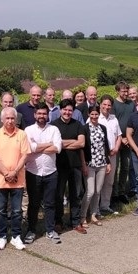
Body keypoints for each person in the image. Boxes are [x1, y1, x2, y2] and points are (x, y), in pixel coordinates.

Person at [0, 107, 30, 250]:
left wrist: (15, 172)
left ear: (16, 119)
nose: (10, 121)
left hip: (18, 179)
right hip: (1, 180)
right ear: (2, 120)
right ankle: (2, 236)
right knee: (1, 210)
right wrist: (7, 173)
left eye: (12, 118)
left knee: (17, 210)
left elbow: (25, 155)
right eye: (7, 118)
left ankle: (16, 236)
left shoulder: (22, 135)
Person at [23, 103, 62, 244]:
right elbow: (29, 148)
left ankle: (50, 230)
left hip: (51, 172)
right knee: (33, 204)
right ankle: (31, 230)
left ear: (48, 115)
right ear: (35, 115)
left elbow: (57, 148)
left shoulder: (54, 129)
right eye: (39, 114)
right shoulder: (28, 130)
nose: (41, 116)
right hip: (33, 172)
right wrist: (48, 144)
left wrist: (37, 147)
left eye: (44, 114)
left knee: (50, 203)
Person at [51, 99, 87, 234]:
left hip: (75, 165)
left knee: (76, 194)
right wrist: (73, 142)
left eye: (70, 110)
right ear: (60, 110)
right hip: (59, 166)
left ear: (73, 111)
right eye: (65, 110)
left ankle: (75, 222)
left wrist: (62, 143)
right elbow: (53, 143)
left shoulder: (78, 125)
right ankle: (58, 222)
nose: (67, 112)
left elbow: (81, 144)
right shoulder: (53, 126)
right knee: (59, 195)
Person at [81, 106, 111, 227]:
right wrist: (84, 164)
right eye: (92, 114)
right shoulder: (84, 128)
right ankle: (82, 216)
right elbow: (82, 148)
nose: (94, 117)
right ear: (88, 114)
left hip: (102, 163)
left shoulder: (102, 128)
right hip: (90, 164)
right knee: (90, 192)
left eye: (96, 114)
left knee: (98, 191)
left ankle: (93, 214)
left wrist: (108, 162)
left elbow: (105, 146)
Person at [97, 95, 122, 216]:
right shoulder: (95, 118)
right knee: (98, 183)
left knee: (109, 181)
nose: (106, 107)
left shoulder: (114, 119)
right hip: (99, 157)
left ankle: (105, 206)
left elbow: (119, 136)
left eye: (109, 105)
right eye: (104, 104)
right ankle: (95, 208)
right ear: (100, 104)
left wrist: (116, 148)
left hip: (112, 154)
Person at [112, 81, 135, 204]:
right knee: (114, 168)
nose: (125, 93)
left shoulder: (131, 104)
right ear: (118, 91)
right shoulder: (114, 104)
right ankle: (113, 193)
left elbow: (133, 121)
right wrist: (121, 138)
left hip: (128, 141)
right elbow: (113, 124)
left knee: (125, 167)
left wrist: (128, 137)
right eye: (123, 91)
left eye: (127, 91)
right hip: (116, 140)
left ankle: (121, 192)